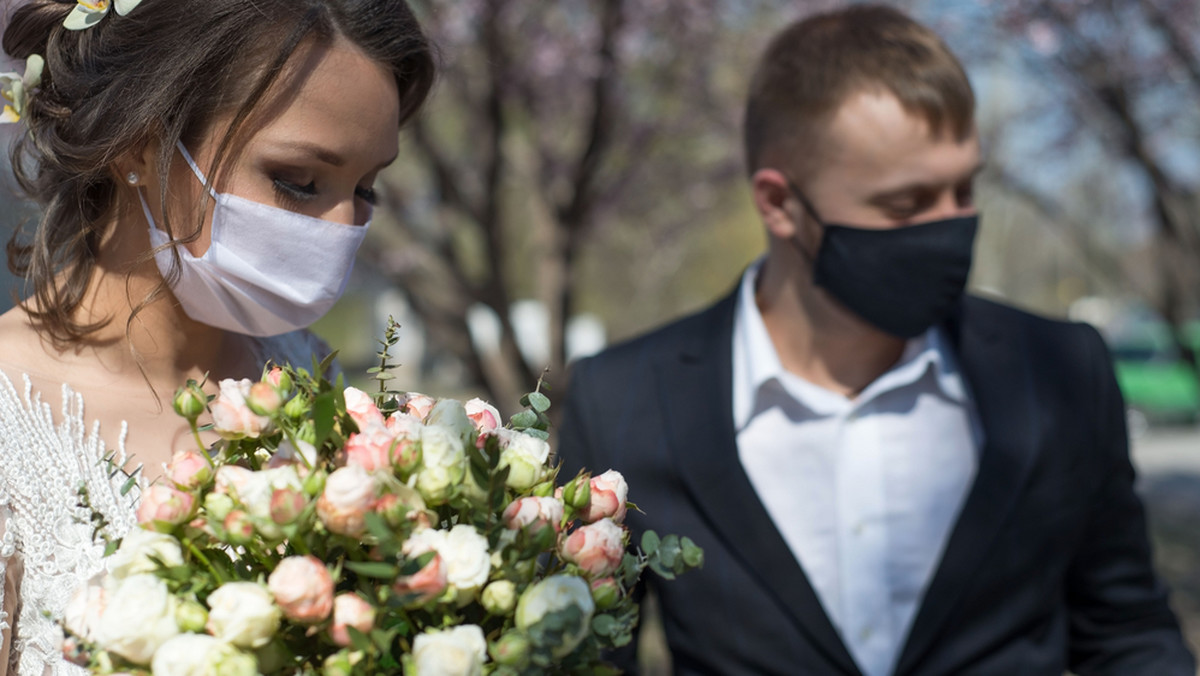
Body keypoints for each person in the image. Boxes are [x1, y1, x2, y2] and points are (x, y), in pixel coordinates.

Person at [558, 5, 1196, 675]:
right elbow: (589, 657)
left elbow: (1126, 633)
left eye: (964, 188)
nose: (953, 227)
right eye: (906, 204)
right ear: (779, 203)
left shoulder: (1061, 372)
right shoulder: (627, 400)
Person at [0, 0, 434, 672]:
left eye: (368, 189)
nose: (343, 226)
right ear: (138, 144)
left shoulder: (309, 380)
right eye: (299, 182)